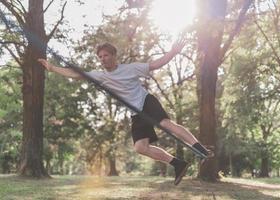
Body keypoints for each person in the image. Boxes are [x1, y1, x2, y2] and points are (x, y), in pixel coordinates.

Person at [38, 37, 213, 185]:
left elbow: (155, 64)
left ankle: (201, 149)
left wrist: (173, 52)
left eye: (106, 55)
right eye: (100, 57)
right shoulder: (101, 76)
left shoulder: (130, 68)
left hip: (146, 102)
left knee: (166, 124)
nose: (103, 59)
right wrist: (52, 68)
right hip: (135, 112)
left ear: (114, 56)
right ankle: (178, 164)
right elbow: (76, 74)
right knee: (140, 147)